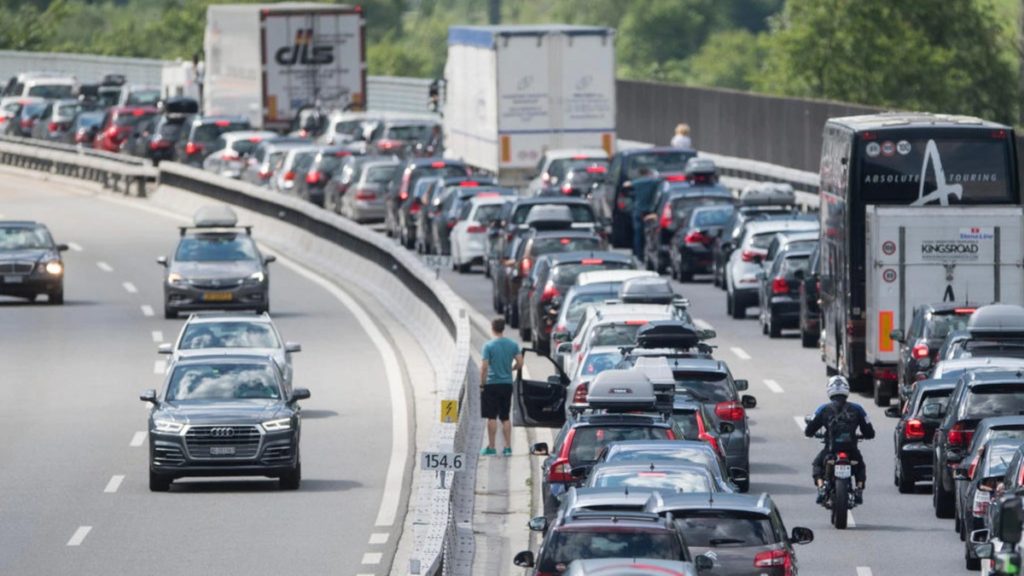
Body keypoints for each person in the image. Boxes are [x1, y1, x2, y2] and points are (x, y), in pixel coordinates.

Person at [804, 376, 875, 504]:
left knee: (817, 464)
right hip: (851, 450)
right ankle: (859, 489)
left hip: (830, 450)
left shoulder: (823, 409)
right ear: (847, 390)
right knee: (860, 466)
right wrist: (865, 435)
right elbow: (869, 432)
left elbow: (809, 431)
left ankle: (821, 488)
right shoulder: (858, 409)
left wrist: (813, 433)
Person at [480, 317, 523, 456]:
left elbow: (484, 367)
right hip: (506, 384)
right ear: (503, 328)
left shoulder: (488, 346)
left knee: (491, 416)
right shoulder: (513, 344)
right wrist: (512, 369)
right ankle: (508, 447)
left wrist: (482, 383)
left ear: (492, 328)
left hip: (492, 384)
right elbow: (520, 363)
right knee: (505, 417)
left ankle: (491, 447)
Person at [630, 166, 660, 259]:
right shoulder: (654, 182)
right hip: (651, 212)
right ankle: (650, 252)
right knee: (652, 233)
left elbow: (626, 185)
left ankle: (639, 254)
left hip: (638, 210)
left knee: (638, 233)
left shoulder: (637, 182)